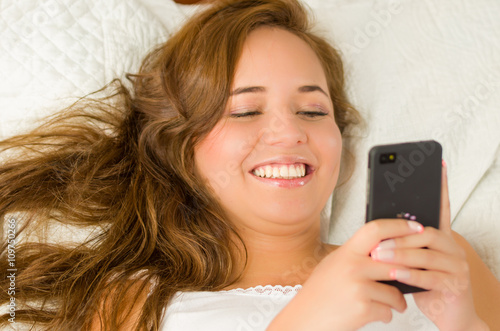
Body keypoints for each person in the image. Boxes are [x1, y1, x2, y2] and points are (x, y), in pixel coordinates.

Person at [0, 0, 499, 330]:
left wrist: (466, 323)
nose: (289, 133)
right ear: (180, 148)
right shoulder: (132, 304)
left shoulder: (442, 267)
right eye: (244, 110)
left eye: (312, 110)